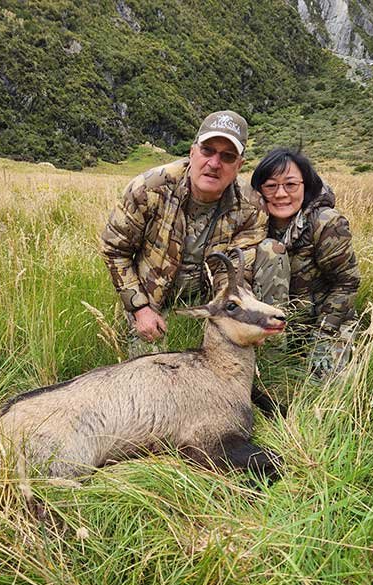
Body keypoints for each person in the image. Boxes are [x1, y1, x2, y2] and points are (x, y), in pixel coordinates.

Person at [100, 109, 288, 416]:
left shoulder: (251, 206)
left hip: (211, 300)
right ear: (192, 151)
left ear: (239, 165)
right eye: (208, 151)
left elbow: (240, 273)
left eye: (227, 157)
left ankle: (267, 370)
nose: (214, 163)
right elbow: (114, 250)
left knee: (272, 252)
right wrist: (139, 308)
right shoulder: (148, 188)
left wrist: (240, 320)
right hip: (153, 297)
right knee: (148, 388)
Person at [249, 147, 360, 378]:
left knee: (326, 386)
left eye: (290, 185)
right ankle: (273, 357)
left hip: (325, 323)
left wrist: (324, 334)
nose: (281, 194)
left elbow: (346, 284)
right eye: (271, 186)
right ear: (259, 191)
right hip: (272, 327)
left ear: (305, 186)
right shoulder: (251, 224)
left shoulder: (326, 223)